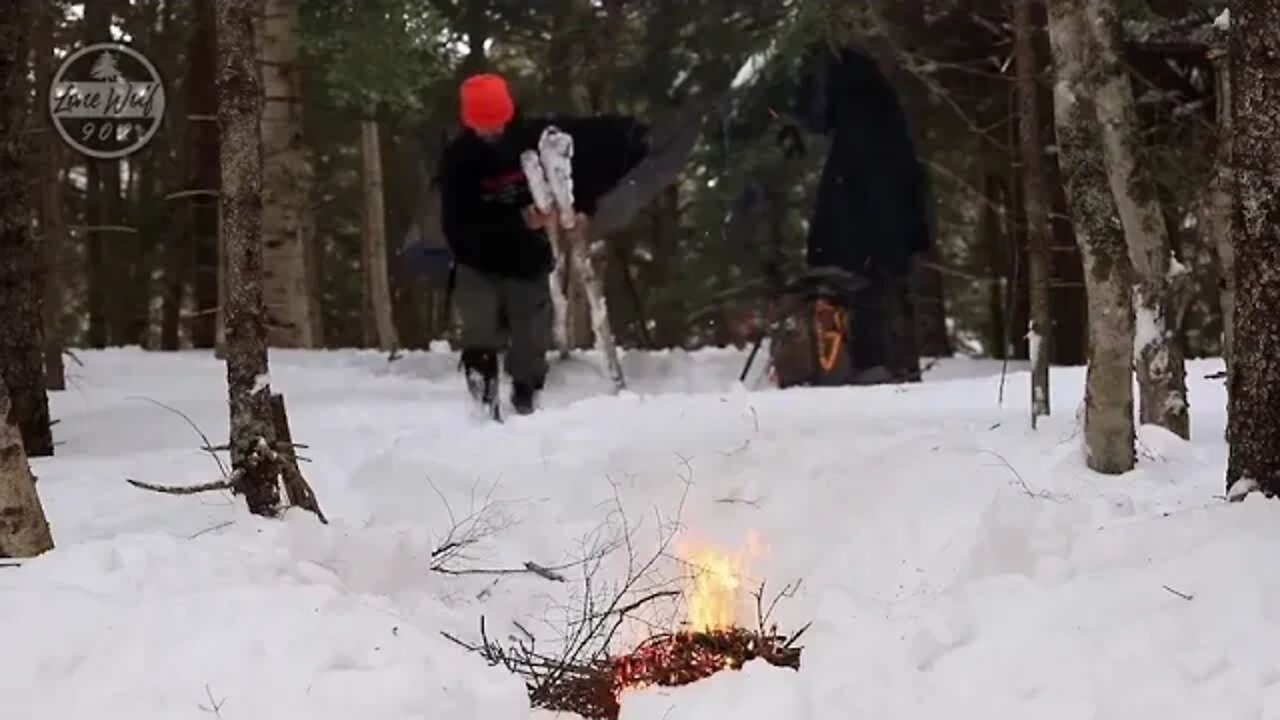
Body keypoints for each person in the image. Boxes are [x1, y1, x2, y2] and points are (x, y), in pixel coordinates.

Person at [439, 72, 649, 416]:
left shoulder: (537, 139)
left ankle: (526, 394)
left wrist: (582, 207)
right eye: (483, 125)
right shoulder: (458, 160)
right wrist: (519, 219)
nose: (492, 132)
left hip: (527, 257)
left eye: (498, 123)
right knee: (480, 328)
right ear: (469, 123)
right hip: (477, 257)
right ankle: (482, 397)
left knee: (531, 332)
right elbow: (459, 223)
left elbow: (579, 166)